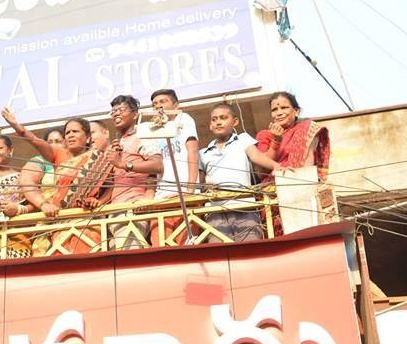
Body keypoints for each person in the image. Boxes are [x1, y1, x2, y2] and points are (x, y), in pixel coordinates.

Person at [6, 113, 114, 256]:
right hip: (59, 219)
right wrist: (16, 126)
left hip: (87, 219)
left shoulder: (100, 158)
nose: (70, 135)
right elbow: (33, 140)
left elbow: (112, 186)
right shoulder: (59, 154)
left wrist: (99, 202)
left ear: (88, 137)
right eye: (67, 132)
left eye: (75, 131)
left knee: (86, 261)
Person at [200, 103, 282, 243]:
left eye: (223, 118)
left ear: (235, 121)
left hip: (244, 206)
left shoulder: (243, 139)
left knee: (250, 248)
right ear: (210, 125)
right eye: (214, 119)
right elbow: (199, 183)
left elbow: (256, 156)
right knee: (220, 253)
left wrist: (276, 166)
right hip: (215, 210)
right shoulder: (203, 153)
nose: (218, 122)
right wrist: (204, 187)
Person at [106, 95, 163, 249]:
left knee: (130, 256)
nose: (116, 114)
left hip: (133, 207)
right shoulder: (118, 142)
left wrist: (124, 164)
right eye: (113, 111)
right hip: (114, 210)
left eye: (121, 110)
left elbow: (157, 166)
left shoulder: (142, 136)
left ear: (135, 115)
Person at [149, 89, 199, 246]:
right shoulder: (155, 128)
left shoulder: (184, 119)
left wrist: (190, 188)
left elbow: (192, 151)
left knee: (186, 246)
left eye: (163, 102)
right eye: (155, 104)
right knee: (160, 246)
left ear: (176, 105)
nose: (158, 106)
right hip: (162, 198)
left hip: (184, 194)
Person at [256, 91, 330, 182]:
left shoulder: (307, 129)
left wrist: (301, 182)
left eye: (284, 108)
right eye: (274, 110)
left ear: (296, 111)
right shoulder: (264, 135)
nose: (279, 113)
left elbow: (308, 160)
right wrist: (276, 141)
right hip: (273, 186)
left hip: (301, 180)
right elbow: (262, 170)